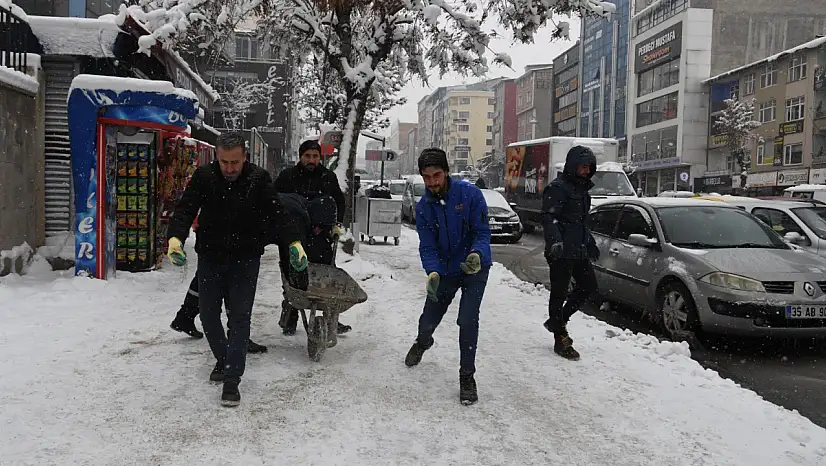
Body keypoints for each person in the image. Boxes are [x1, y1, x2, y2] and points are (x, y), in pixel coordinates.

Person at [166, 131, 305, 407]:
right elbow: (186, 208)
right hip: (210, 257)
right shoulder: (205, 176)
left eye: (235, 163)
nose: (229, 169)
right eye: (224, 162)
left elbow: (278, 213)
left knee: (240, 318)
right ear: (217, 158)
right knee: (207, 316)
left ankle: (232, 380)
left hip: (246, 258)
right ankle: (224, 359)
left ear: (245, 158)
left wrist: (294, 242)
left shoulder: (258, 178)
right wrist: (175, 238)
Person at [403, 148, 492, 406]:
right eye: (427, 177)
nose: (432, 182)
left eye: (437, 175)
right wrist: (432, 271)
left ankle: (467, 376)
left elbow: (482, 232)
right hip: (444, 269)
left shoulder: (470, 195)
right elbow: (428, 246)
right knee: (429, 318)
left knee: (467, 320)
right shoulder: (424, 207)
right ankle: (422, 341)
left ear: (447, 172)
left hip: (475, 268)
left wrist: (476, 253)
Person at [274, 139, 351, 336]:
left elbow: (339, 202)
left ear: (320, 158)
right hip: (293, 237)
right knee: (292, 276)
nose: (311, 160)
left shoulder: (327, 177)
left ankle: (329, 319)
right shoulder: (287, 177)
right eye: (307, 156)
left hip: (320, 236)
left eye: (315, 156)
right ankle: (291, 314)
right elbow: (273, 200)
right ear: (301, 156)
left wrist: (337, 224)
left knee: (324, 276)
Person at [541, 145, 600, 361]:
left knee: (589, 286)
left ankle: (558, 320)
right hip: (561, 252)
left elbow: (581, 222)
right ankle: (560, 338)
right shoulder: (558, 188)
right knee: (559, 294)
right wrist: (555, 242)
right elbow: (548, 217)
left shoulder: (583, 190)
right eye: (583, 167)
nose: (586, 171)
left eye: (589, 167)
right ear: (573, 166)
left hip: (579, 250)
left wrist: (590, 242)